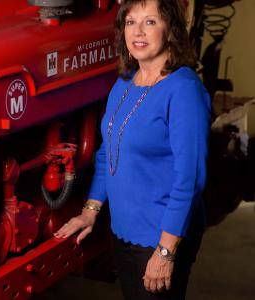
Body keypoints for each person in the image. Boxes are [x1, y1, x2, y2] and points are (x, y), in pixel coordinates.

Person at [55, 0, 211, 299]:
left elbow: (189, 180)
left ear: (171, 30)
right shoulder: (125, 82)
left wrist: (165, 252)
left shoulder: (183, 90)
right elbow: (107, 153)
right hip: (124, 230)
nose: (138, 31)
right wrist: (90, 211)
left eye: (150, 22)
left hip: (160, 237)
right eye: (130, 22)